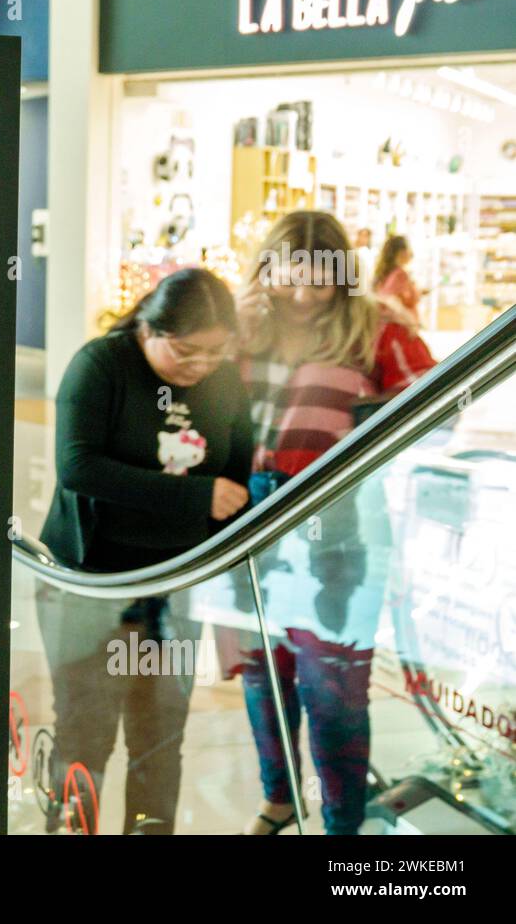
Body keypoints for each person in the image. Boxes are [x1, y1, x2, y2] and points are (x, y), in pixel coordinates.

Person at [229, 211, 435, 835]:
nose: (304, 293)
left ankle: (342, 829)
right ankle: (280, 798)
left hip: (340, 524)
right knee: (262, 671)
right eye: (291, 274)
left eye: (321, 279)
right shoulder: (243, 322)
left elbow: (435, 411)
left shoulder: (376, 327)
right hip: (247, 520)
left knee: (333, 686)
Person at [36, 267, 253, 834]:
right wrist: (195, 494)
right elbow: (78, 467)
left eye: (214, 351)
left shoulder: (226, 381)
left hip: (175, 587)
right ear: (149, 328)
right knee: (85, 733)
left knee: (160, 739)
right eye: (186, 351)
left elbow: (237, 482)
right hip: (92, 584)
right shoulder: (102, 365)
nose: (201, 366)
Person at [372, 234, 422, 324]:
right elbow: (389, 298)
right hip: (401, 328)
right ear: (401, 252)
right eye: (409, 249)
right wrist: (408, 319)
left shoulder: (385, 272)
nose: (411, 253)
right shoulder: (400, 274)